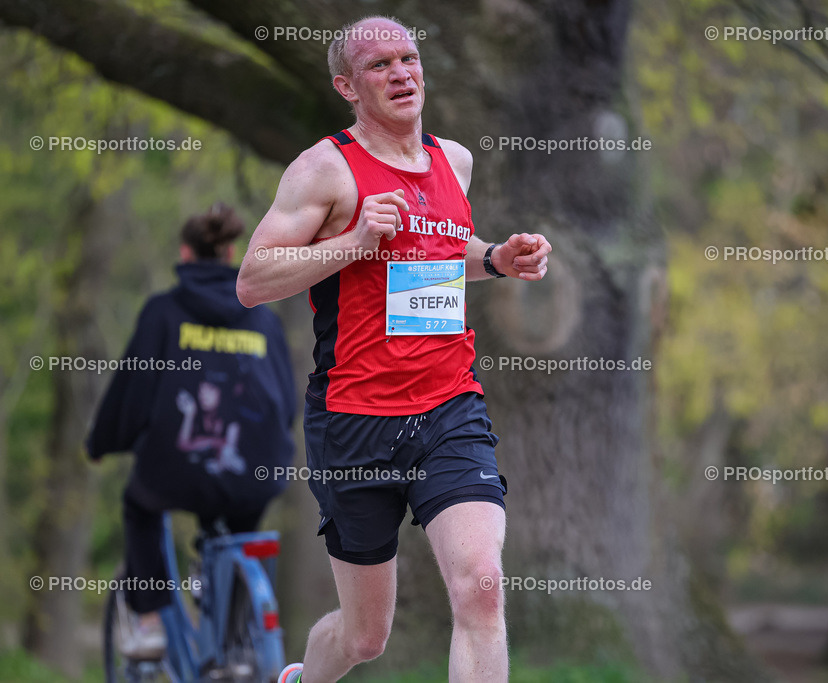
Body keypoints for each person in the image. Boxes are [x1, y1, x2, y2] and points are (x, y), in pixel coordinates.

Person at [235, 14, 551, 683]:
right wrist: (351, 242)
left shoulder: (453, 161)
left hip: (448, 407)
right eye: (380, 66)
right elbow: (253, 280)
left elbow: (433, 254)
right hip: (354, 419)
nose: (402, 73)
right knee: (364, 634)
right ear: (347, 86)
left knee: (481, 586)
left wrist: (495, 257)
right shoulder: (325, 169)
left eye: (408, 58)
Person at [87, 203, 296, 659]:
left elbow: (132, 391)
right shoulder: (264, 318)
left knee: (139, 507)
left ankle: (148, 623)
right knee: (233, 513)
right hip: (254, 470)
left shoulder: (163, 313)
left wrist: (103, 443)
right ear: (231, 254)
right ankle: (232, 627)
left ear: (185, 253)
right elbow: (287, 403)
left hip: (175, 468)